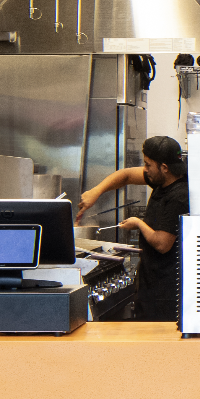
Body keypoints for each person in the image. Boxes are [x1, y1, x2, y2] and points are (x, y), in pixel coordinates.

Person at [78, 135, 190, 320]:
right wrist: (95, 192)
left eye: (148, 164)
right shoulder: (163, 179)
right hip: (150, 277)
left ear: (164, 167)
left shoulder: (178, 196)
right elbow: (127, 175)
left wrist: (138, 223)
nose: (145, 170)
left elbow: (163, 244)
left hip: (165, 288)